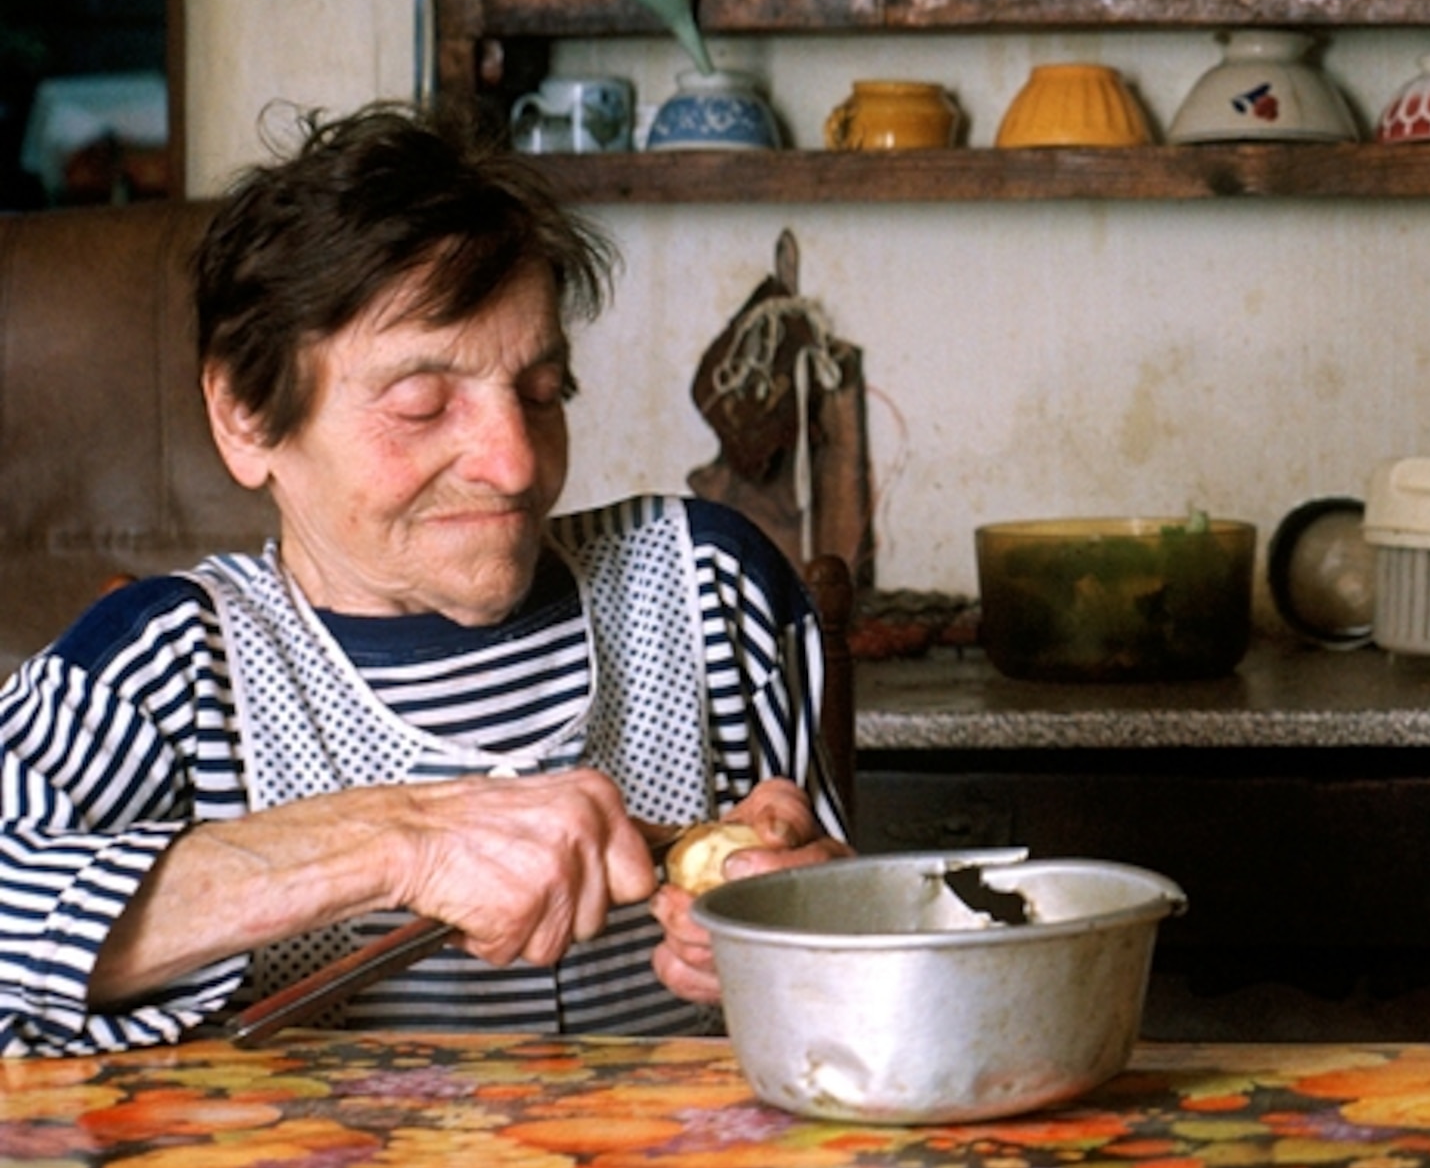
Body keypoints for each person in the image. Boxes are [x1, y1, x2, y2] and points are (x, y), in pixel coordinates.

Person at [0, 105, 850, 1056]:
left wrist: (817, 918)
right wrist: (397, 839)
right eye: (421, 404)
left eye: (540, 393)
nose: (515, 464)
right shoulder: (163, 668)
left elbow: (850, 958)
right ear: (246, 415)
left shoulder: (709, 590)